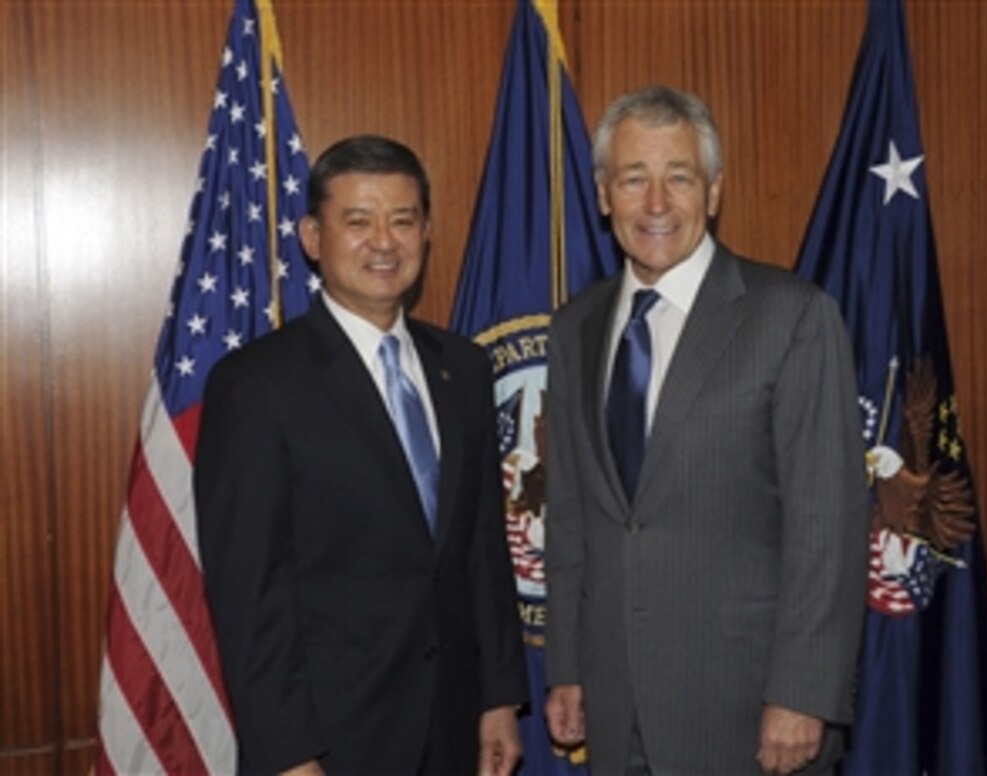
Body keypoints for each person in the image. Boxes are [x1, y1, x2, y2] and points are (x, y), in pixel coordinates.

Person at [543, 86, 870, 774]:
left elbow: (827, 526)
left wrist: (803, 695)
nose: (656, 203)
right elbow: (572, 517)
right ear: (604, 194)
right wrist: (567, 665)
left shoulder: (792, 318)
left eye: (679, 178)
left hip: (748, 710)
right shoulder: (575, 329)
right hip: (612, 703)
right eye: (634, 179)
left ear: (714, 192)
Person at [195, 135, 527, 775]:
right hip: (333, 740)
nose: (384, 242)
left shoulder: (464, 367)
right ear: (313, 238)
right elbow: (250, 596)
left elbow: (483, 549)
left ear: (426, 234)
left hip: (456, 726)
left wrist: (499, 697)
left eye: (403, 221)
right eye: (358, 221)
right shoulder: (256, 385)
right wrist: (289, 755)